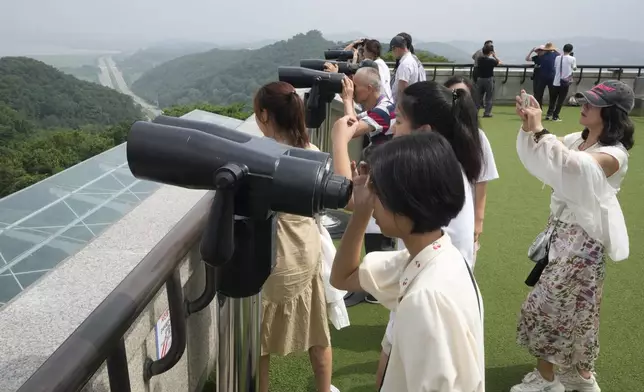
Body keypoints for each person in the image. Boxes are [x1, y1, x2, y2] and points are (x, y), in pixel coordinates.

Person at [349, 80, 484, 388]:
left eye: (398, 120)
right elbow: (343, 277)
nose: (393, 128)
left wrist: (340, 138)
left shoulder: (426, 299)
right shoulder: (434, 251)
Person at [511, 80, 634, 392]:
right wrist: (529, 128)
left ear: (612, 113)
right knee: (580, 309)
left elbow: (571, 166)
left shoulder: (613, 155)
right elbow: (545, 159)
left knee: (545, 306)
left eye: (593, 103)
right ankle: (580, 376)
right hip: (561, 232)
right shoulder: (575, 140)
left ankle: (547, 379)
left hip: (585, 242)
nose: (584, 104)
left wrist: (540, 132)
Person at [253, 81, 339, 392]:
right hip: (307, 252)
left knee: (258, 345)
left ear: (264, 114)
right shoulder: (312, 152)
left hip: (275, 260)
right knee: (317, 334)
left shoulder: (260, 157)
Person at [336, 69, 397, 304]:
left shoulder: (385, 109)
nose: (351, 88)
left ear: (369, 89)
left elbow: (352, 129)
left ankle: (376, 290)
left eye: (355, 86)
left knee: (378, 229)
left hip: (386, 178)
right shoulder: (379, 106)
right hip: (380, 174)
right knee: (374, 227)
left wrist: (348, 100)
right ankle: (374, 287)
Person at [444, 76, 500, 263]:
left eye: (463, 96)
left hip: (463, 218)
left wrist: (478, 221)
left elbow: (481, 180)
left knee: (461, 271)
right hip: (433, 219)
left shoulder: (478, 138)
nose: (457, 101)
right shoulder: (431, 133)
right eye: (452, 95)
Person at [389, 34, 426, 103]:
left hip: (401, 104)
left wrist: (399, 107)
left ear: (396, 48)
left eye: (392, 50)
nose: (393, 53)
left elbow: (402, 89)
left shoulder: (405, 64)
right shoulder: (412, 60)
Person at [550, 44, 577, 121]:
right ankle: (555, 116)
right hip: (565, 82)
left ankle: (550, 114)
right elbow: (574, 68)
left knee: (553, 99)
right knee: (560, 100)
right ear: (571, 50)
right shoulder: (572, 58)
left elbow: (555, 67)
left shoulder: (558, 58)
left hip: (556, 81)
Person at [531, 42, 560, 116]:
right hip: (552, 77)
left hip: (542, 77)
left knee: (539, 95)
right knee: (553, 96)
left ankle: (539, 110)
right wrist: (555, 50)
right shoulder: (556, 56)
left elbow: (535, 60)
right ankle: (550, 113)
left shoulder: (541, 56)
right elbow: (561, 55)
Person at [476, 45, 502, 117]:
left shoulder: (479, 59)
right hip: (488, 79)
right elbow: (499, 62)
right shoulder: (491, 61)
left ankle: (475, 111)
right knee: (489, 96)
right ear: (491, 52)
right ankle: (487, 113)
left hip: (480, 79)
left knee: (478, 97)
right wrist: (494, 56)